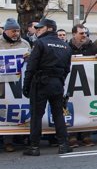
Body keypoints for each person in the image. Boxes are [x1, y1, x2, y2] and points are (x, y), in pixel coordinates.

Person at [22, 18, 74, 155]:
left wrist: (26, 85)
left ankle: (34, 147)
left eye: (40, 28)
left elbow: (31, 67)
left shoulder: (39, 43)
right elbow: (67, 69)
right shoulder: (65, 46)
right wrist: (60, 81)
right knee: (58, 115)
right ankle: (63, 145)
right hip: (56, 83)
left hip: (40, 83)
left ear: (50, 28)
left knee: (36, 115)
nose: (37, 30)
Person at [0, 18, 31, 152]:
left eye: (18, 31)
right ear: (6, 31)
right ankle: (7, 140)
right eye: (13, 31)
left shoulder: (25, 43)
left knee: (18, 109)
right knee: (4, 111)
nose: (16, 33)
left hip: (18, 82)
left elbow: (31, 59)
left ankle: (21, 138)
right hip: (2, 83)